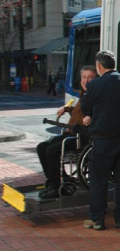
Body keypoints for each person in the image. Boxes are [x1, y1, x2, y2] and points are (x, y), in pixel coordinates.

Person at [81, 50, 120, 231]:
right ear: (113, 64)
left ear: (99, 66)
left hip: (103, 141)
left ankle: (97, 219)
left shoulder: (95, 85)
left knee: (99, 180)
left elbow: (86, 108)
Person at [37, 65, 98, 199]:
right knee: (41, 147)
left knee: (52, 150)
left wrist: (90, 118)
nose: (85, 80)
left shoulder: (95, 95)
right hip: (72, 134)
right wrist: (67, 108)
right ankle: (54, 182)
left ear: (96, 79)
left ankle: (56, 187)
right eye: (83, 77)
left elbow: (96, 114)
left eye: (90, 78)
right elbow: (79, 112)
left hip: (83, 137)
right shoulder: (85, 93)